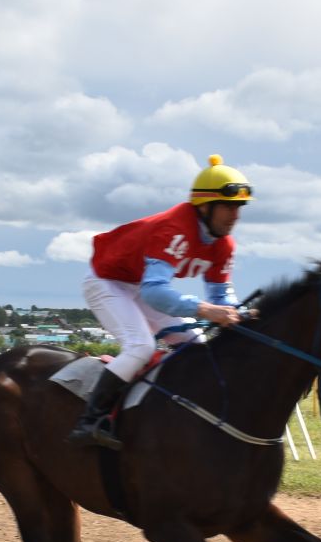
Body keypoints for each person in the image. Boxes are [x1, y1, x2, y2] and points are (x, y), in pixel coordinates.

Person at [68, 154, 249, 448]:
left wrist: (238, 313)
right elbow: (155, 293)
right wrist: (206, 309)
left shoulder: (223, 245)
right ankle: (90, 421)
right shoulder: (175, 229)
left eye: (239, 207)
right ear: (204, 207)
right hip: (106, 282)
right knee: (141, 346)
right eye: (228, 206)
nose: (235, 215)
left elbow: (221, 295)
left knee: (197, 344)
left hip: (137, 285)